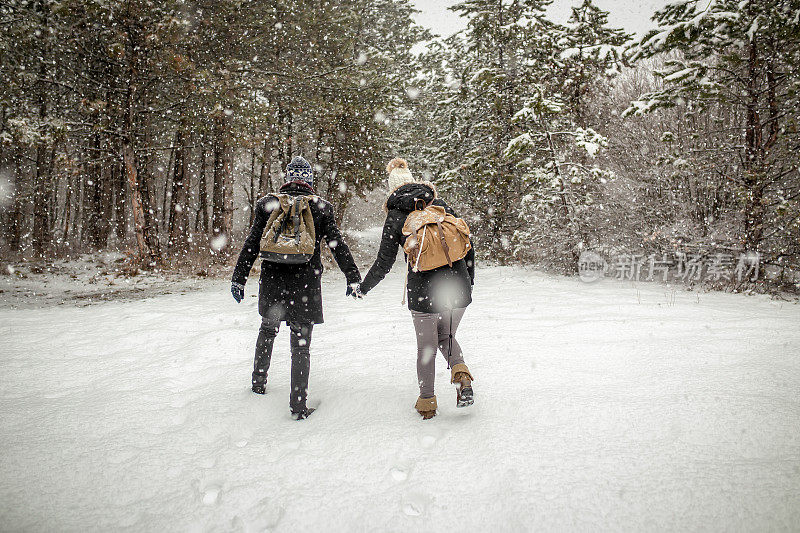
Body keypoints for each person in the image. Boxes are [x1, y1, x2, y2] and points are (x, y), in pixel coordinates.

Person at [231, 156, 362, 420]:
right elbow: (337, 245)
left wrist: (239, 277)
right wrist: (353, 276)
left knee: (267, 331)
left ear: (287, 178)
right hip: (306, 285)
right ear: (310, 181)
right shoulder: (322, 207)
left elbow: (252, 243)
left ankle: (258, 384)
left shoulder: (269, 205)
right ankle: (298, 406)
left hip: (272, 282)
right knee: (300, 346)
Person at [359, 158, 475, 420]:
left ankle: (427, 403)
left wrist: (363, 287)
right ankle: (462, 376)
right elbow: (467, 244)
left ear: (392, 190)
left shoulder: (396, 216)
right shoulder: (441, 207)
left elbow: (383, 262)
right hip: (457, 285)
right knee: (446, 337)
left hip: (424, 290)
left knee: (427, 347)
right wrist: (469, 281)